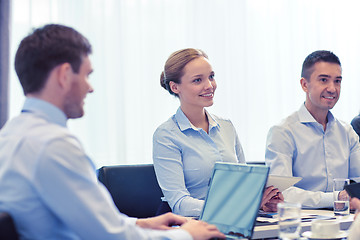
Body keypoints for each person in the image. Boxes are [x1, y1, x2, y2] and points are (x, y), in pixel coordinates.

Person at [0, 24, 226, 240]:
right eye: (87, 75)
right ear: (64, 75)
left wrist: (140, 223)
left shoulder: (11, 134)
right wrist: (186, 235)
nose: (90, 87)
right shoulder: (54, 145)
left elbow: (96, 223)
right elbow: (112, 236)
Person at [153, 48, 283, 217]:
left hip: (234, 221)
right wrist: (242, 205)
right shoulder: (166, 135)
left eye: (211, 77)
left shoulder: (226, 126)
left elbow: (244, 186)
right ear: (175, 87)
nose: (209, 86)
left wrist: (263, 203)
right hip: (191, 225)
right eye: (197, 80)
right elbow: (180, 204)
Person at [265, 50, 360, 209]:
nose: (332, 88)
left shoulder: (347, 132)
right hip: (301, 225)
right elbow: (282, 194)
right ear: (304, 84)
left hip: (345, 222)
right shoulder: (282, 131)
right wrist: (337, 198)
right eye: (324, 80)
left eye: (337, 81)